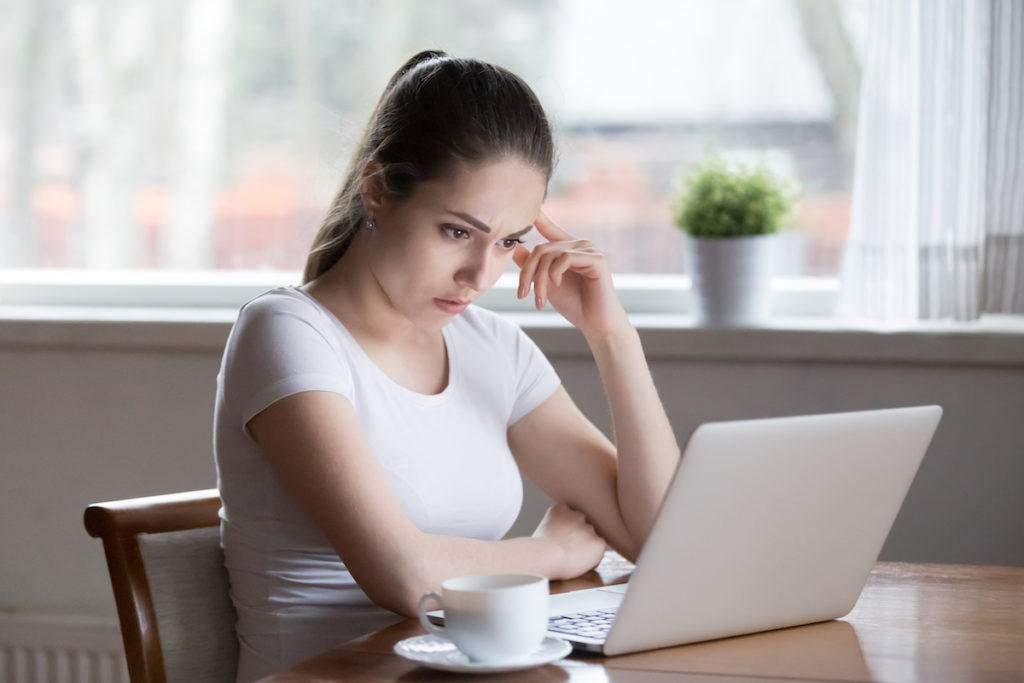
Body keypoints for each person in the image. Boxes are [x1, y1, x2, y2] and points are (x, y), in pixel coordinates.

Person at [214, 50, 680, 682]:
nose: (480, 276)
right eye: (458, 232)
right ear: (377, 189)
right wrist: (546, 553)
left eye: (510, 242)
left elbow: (663, 546)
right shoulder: (289, 333)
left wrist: (611, 333)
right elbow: (405, 577)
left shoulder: (494, 347)